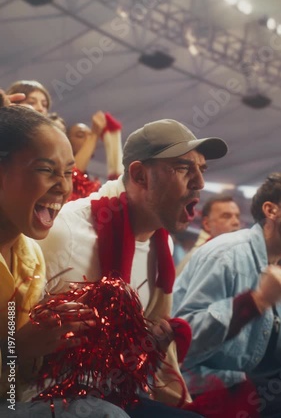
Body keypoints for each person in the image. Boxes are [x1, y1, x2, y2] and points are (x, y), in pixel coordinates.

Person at [39, 118, 227, 415]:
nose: (200, 183)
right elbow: (12, 330)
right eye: (182, 168)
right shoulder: (66, 232)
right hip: (47, 400)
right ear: (140, 175)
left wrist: (151, 344)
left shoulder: (160, 244)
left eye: (201, 169)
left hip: (114, 395)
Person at [0, 104, 129, 418]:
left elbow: (14, 387)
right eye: (46, 169)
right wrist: (14, 348)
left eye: (69, 172)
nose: (64, 186)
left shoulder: (30, 257)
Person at [173, 173, 281, 418]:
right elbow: (183, 340)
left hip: (252, 384)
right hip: (203, 387)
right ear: (271, 210)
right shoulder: (226, 255)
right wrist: (257, 301)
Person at [176, 195, 241, 274]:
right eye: (226, 216)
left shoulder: (237, 256)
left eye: (237, 216)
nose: (236, 222)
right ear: (207, 224)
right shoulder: (196, 259)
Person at [68, 111, 123, 200]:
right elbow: (73, 173)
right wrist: (94, 134)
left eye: (89, 135)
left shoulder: (91, 181)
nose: (88, 139)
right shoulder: (63, 173)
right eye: (80, 135)